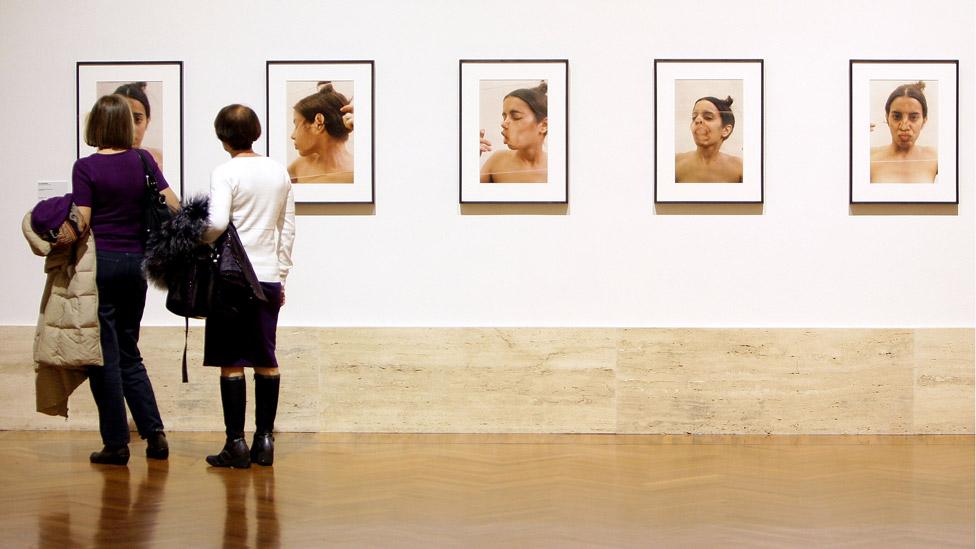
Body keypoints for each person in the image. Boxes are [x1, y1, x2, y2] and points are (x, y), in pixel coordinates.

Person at [72, 94, 180, 465]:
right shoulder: (143, 160)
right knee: (130, 352)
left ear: (96, 125)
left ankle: (116, 443)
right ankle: (155, 434)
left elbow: (82, 220)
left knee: (103, 356)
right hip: (137, 265)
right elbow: (173, 205)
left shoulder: (85, 168)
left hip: (100, 266)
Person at [203, 104, 295, 468]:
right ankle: (265, 441)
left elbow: (215, 224)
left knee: (231, 361)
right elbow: (286, 229)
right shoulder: (278, 172)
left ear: (222, 136)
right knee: (265, 357)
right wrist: (282, 274)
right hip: (268, 275)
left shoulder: (225, 172)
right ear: (255, 131)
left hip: (231, 278)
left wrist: (195, 238)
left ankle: (235, 444)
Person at [480, 81, 549, 183]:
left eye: (516, 117)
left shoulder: (559, 170)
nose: (503, 123)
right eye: (504, 117)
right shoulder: (497, 161)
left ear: (544, 125)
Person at [870, 81, 938, 183]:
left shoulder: (935, 157)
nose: (904, 126)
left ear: (924, 121)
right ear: (887, 118)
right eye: (897, 117)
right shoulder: (868, 157)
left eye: (913, 117)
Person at [288, 83, 354, 183]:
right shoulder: (297, 168)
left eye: (297, 125)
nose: (292, 136)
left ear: (318, 122)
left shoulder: (359, 172)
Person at [674, 95, 743, 183]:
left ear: (725, 130)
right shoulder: (675, 163)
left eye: (708, 117)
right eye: (694, 117)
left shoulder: (740, 169)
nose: (698, 120)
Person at [113, 82, 164, 170]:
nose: (130, 128)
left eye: (137, 119)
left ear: (147, 121)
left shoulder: (160, 161)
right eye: (121, 119)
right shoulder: (94, 165)